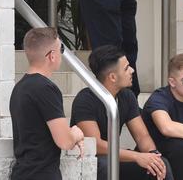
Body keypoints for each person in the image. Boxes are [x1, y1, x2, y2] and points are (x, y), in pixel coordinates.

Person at [70, 45, 172, 180]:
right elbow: (95, 145)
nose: (132, 70)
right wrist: (137, 156)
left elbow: (142, 136)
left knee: (159, 164)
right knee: (106, 165)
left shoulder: (127, 96)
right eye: (126, 68)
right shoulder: (85, 100)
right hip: (87, 162)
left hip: (112, 157)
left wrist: (153, 156)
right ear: (112, 77)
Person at [9, 27, 85, 180]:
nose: (61, 55)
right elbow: (64, 141)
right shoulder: (46, 89)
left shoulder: (19, 88)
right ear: (52, 56)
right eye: (61, 49)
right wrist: (76, 133)